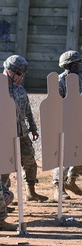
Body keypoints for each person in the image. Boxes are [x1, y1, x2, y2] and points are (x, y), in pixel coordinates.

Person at [0, 55, 47, 202]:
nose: (21, 77)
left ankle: (31, 192)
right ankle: (1, 199)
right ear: (10, 71)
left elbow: (27, 110)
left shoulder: (19, 89)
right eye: (19, 74)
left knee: (30, 162)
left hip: (21, 133)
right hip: (3, 136)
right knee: (5, 167)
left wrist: (33, 128)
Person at [55, 50, 82, 196]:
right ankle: (59, 187)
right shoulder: (60, 81)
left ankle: (71, 180)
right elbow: (56, 103)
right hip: (65, 122)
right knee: (63, 155)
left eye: (79, 62)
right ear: (67, 65)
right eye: (75, 63)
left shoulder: (81, 78)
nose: (78, 65)